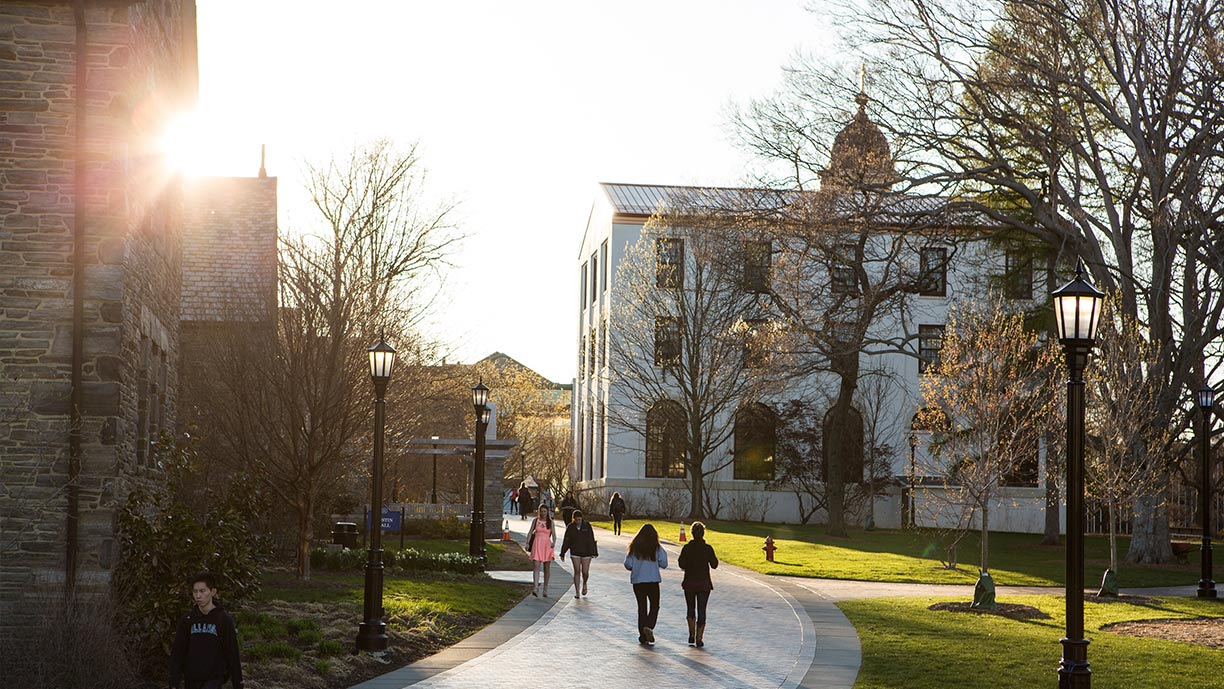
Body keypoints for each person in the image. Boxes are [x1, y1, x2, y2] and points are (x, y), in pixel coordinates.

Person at [168, 572, 244, 689]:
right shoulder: (187, 620)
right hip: (191, 680)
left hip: (213, 680)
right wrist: (173, 682)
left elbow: (232, 653)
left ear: (212, 592)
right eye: (195, 591)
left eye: (202, 591)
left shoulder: (223, 620)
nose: (198, 596)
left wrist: (238, 683)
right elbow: (178, 652)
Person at [623, 523, 667, 645]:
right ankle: (649, 626)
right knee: (655, 605)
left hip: (638, 581)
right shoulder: (657, 547)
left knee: (642, 607)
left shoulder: (634, 547)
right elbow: (664, 563)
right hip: (652, 580)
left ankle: (642, 635)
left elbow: (628, 564)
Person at [677, 521, 719, 647]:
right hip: (704, 583)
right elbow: (714, 565)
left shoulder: (687, 548)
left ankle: (691, 633)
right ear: (703, 533)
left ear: (692, 534)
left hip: (689, 582)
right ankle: (699, 637)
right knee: (702, 609)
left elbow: (681, 564)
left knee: (690, 608)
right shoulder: (708, 549)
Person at [559, 509, 598, 599]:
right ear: (573, 519)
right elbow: (566, 540)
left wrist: (593, 552)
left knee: (585, 571)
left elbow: (591, 539)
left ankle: (584, 583)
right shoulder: (570, 527)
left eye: (579, 520)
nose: (578, 521)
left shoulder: (587, 526)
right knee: (577, 571)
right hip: (575, 551)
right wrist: (562, 553)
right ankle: (577, 592)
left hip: (586, 552)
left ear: (582, 518)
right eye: (576, 520)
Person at [527, 504, 557, 597]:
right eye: (541, 511)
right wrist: (527, 543)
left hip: (547, 546)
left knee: (546, 568)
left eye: (545, 511)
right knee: (536, 565)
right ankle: (535, 587)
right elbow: (530, 531)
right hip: (537, 544)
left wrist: (553, 543)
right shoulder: (536, 521)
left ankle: (545, 588)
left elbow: (554, 535)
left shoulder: (550, 522)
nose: (543, 513)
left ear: (547, 512)